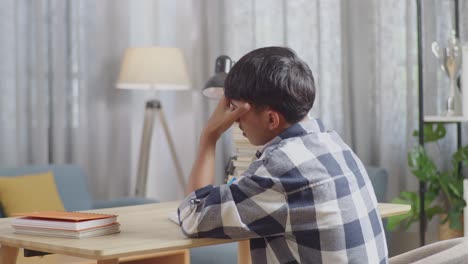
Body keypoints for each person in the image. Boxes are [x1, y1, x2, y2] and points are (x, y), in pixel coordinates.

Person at [178, 47, 388, 263]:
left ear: (271, 119)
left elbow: (192, 217)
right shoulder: (335, 144)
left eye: (236, 110)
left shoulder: (281, 169)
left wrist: (209, 136)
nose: (233, 120)